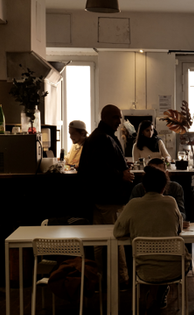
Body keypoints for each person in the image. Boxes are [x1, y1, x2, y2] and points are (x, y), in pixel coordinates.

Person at [114, 166, 190, 310]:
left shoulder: (133, 204)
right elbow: (179, 228)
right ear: (164, 187)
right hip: (175, 269)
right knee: (170, 259)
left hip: (144, 270)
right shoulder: (171, 202)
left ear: (143, 187)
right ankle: (158, 292)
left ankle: (153, 293)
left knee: (154, 261)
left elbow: (117, 232)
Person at [79, 104, 134, 287]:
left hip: (99, 197)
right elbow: (99, 168)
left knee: (99, 240)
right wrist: (122, 174)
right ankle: (121, 279)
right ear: (105, 117)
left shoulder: (100, 136)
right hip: (109, 197)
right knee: (115, 238)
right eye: (115, 117)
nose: (119, 121)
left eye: (119, 117)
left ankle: (100, 278)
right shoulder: (103, 138)